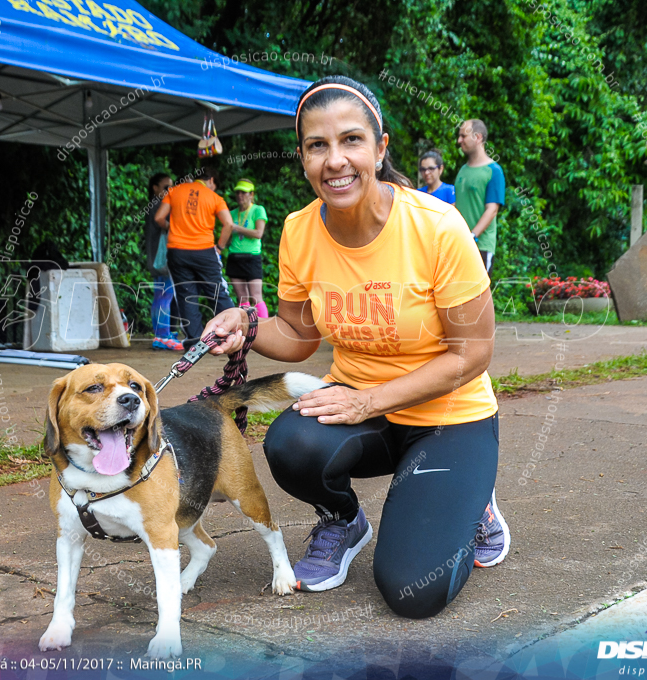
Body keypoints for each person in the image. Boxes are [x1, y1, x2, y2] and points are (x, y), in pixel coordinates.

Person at [196, 75, 509, 620]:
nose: (335, 160)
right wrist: (246, 324)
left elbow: (472, 354)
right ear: (303, 158)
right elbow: (296, 336)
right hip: (365, 413)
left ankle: (472, 506)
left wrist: (367, 401)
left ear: (380, 147)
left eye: (351, 141)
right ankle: (344, 520)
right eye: (318, 146)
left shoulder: (437, 226)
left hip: (449, 418)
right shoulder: (298, 231)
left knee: (413, 590)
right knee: (291, 444)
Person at [155, 166, 236, 349]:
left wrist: (175, 229)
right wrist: (220, 248)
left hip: (177, 251)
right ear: (212, 181)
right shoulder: (214, 197)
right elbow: (229, 224)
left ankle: (195, 341)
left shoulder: (175, 191)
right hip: (205, 251)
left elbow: (159, 218)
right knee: (217, 292)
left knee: (186, 295)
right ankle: (230, 333)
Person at [454, 120, 505, 274]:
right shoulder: (463, 170)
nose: (459, 141)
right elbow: (459, 204)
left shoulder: (494, 171)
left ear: (478, 138)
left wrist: (472, 236)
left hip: (480, 246)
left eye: (463, 136)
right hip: (459, 245)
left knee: (480, 297)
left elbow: (492, 210)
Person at [143, 173, 183, 351]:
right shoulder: (160, 205)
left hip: (157, 259)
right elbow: (162, 221)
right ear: (155, 188)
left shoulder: (153, 205)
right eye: (166, 187)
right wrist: (177, 229)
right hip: (164, 259)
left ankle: (161, 333)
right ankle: (163, 335)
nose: (170, 190)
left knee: (160, 295)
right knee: (165, 296)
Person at [226, 179, 270, 319]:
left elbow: (258, 233)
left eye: (244, 193)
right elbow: (227, 237)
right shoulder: (232, 213)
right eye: (238, 192)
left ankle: (265, 329)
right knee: (242, 298)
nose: (240, 195)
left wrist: (236, 228)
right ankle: (247, 329)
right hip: (234, 257)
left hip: (252, 257)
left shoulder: (258, 210)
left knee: (256, 297)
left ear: (251, 194)